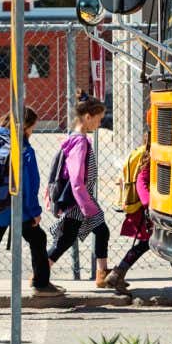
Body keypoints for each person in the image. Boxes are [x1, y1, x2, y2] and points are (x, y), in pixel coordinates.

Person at [0, 107, 64, 299]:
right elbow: (30, 185)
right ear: (25, 127)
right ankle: (41, 284)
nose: (32, 132)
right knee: (38, 239)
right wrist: (34, 212)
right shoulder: (23, 148)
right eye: (32, 127)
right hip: (17, 208)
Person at [104, 139, 172, 296]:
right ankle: (118, 274)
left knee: (163, 240)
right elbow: (141, 181)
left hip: (155, 208)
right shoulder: (154, 156)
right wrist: (149, 205)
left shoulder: (158, 154)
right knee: (155, 242)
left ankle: (118, 274)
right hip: (152, 210)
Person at [47, 93, 112, 286]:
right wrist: (88, 207)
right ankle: (39, 273)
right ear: (87, 117)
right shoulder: (80, 142)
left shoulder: (76, 139)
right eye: (98, 120)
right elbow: (76, 179)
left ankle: (102, 274)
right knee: (66, 240)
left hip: (81, 199)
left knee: (84, 235)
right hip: (79, 200)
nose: (99, 124)